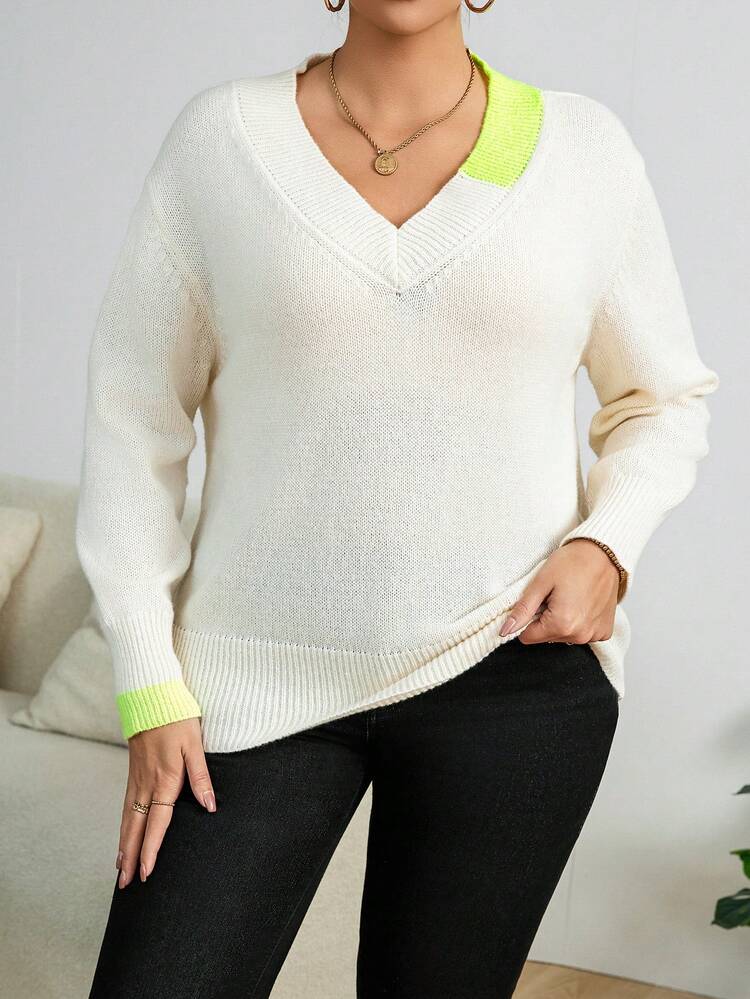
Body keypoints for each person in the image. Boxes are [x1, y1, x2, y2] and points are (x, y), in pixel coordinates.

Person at [75, 1, 719, 996]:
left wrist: (607, 544)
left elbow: (663, 397)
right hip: (250, 681)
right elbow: (133, 420)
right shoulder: (224, 142)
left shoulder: (585, 153)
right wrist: (149, 683)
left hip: (510, 672)